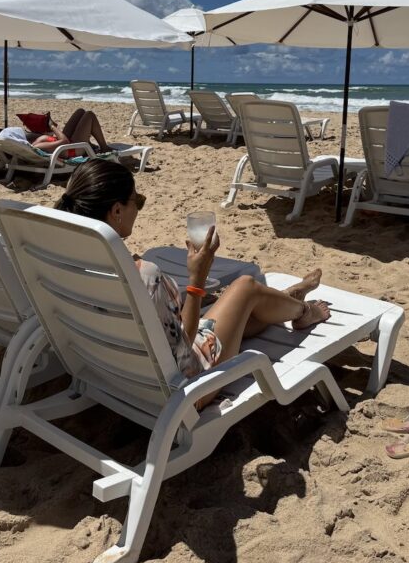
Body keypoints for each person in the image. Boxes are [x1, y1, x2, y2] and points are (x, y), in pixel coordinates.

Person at [54, 159, 330, 406]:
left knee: (239, 310)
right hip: (181, 388)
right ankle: (304, 311)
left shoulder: (63, 262)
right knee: (245, 286)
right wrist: (197, 279)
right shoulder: (142, 276)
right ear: (116, 211)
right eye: (136, 200)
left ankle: (285, 297)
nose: (138, 207)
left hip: (110, 370)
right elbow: (183, 345)